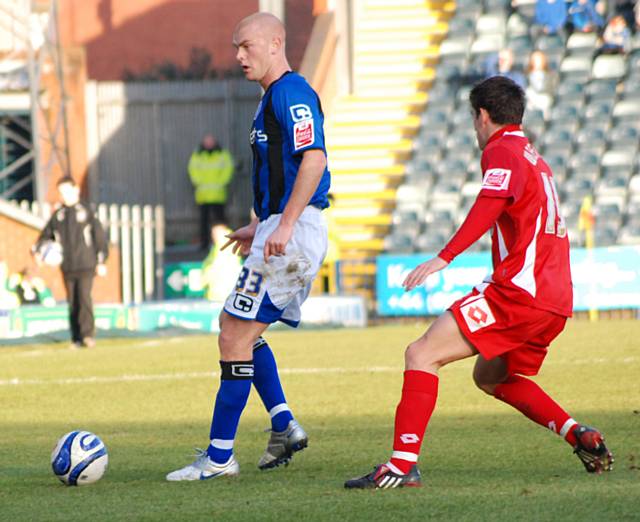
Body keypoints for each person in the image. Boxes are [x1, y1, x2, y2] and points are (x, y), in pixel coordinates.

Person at [345, 76, 613, 489]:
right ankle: (577, 433)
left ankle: (401, 465)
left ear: (483, 116)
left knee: (420, 354)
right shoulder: (534, 156)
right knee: (492, 378)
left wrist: (443, 257)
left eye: (474, 119)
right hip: (554, 299)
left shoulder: (501, 150)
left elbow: (490, 203)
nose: (474, 129)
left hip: (519, 293)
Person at [166, 12, 330, 482]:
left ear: (276, 42)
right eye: (236, 47)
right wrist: (258, 224)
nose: (239, 56)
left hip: (293, 233)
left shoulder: (292, 92)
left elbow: (313, 160)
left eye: (246, 46)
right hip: (279, 228)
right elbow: (278, 174)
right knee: (236, 329)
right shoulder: (269, 100)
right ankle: (282, 424)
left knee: (234, 335)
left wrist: (284, 225)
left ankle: (219, 458)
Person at [33, 176, 108, 348]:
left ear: (75, 190)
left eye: (67, 191)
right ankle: (76, 337)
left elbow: (99, 238)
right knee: (72, 301)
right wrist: (38, 250)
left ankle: (87, 335)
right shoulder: (59, 215)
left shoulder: (86, 211)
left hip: (86, 264)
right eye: (61, 192)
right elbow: (45, 236)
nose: (64, 195)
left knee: (84, 298)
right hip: (67, 265)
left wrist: (102, 260)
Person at [188, 134, 234, 251]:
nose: (209, 144)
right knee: (204, 221)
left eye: (211, 141)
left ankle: (223, 243)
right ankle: (204, 244)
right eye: (207, 142)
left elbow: (228, 169)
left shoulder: (222, 154)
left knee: (220, 220)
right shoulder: (198, 155)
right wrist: (198, 182)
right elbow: (192, 170)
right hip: (203, 195)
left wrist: (222, 182)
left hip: (218, 194)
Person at [201, 223, 243, 301]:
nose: (212, 236)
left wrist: (204, 280)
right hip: (225, 292)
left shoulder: (222, 247)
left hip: (220, 293)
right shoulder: (221, 246)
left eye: (214, 233)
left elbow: (214, 268)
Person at [526, 50, 555, 118]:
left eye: (539, 59)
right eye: (535, 60)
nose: (537, 62)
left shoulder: (550, 75)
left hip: (545, 99)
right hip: (531, 101)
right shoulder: (527, 75)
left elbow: (549, 88)